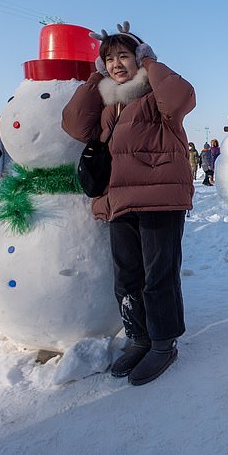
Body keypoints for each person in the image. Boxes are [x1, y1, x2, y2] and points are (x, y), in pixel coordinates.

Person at [62, 22, 195, 386]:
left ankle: (164, 344)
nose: (117, 63)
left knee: (158, 276)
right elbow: (74, 125)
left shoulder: (156, 96)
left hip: (158, 198)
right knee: (127, 277)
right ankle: (139, 338)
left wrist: (151, 62)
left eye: (124, 55)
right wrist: (94, 80)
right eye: (109, 58)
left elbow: (182, 96)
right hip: (118, 200)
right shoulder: (108, 105)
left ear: (138, 58)